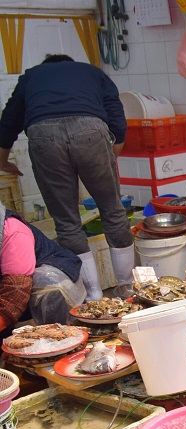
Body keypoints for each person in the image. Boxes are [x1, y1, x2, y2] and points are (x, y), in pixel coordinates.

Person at [0, 55, 133, 302]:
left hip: (43, 135)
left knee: (66, 221)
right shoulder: (92, 72)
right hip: (91, 131)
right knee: (113, 211)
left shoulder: (31, 77)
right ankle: (127, 289)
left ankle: (92, 294)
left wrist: (3, 159)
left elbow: (9, 119)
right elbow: (115, 113)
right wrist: (111, 152)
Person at [1, 203, 85, 336]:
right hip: (11, 291)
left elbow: (16, 292)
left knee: (48, 283)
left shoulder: (12, 231)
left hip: (51, 284)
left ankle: (63, 337)